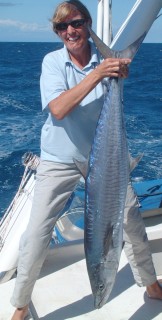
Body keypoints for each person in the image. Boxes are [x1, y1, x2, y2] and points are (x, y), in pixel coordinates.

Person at [11, 1, 162, 319]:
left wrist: (118, 72)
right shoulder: (53, 62)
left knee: (131, 221)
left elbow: (111, 87)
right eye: (61, 27)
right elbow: (58, 109)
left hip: (104, 159)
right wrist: (99, 74)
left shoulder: (104, 60)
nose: (69, 31)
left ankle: (150, 284)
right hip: (60, 159)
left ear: (88, 23)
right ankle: (21, 305)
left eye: (76, 23)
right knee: (37, 232)